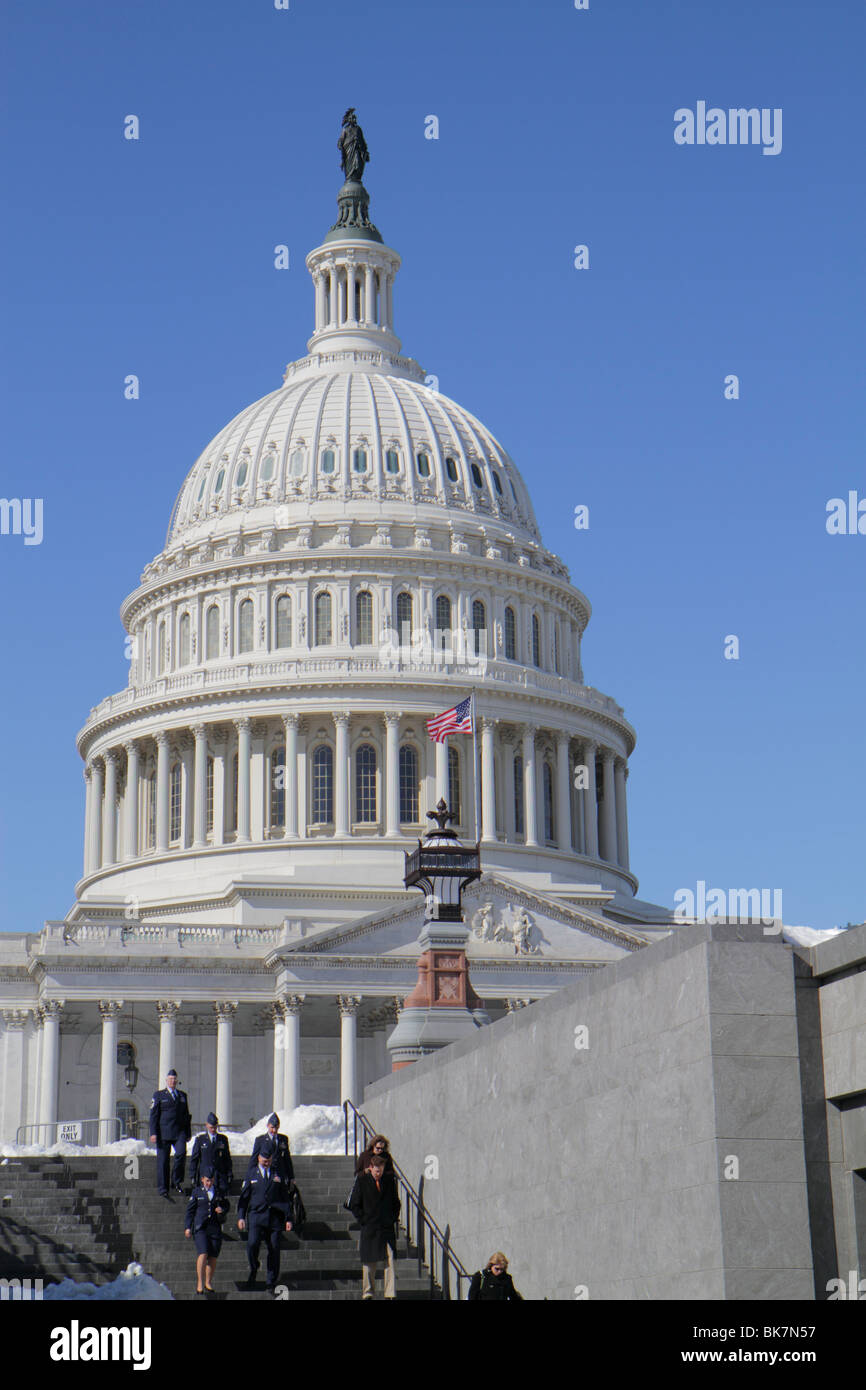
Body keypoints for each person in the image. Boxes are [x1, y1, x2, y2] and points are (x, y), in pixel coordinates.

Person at [237, 1141, 292, 1294]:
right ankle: (254, 1268)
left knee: (274, 1248)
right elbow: (244, 1197)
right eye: (263, 1158)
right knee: (252, 1244)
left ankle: (271, 1280)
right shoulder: (251, 1174)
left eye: (268, 1159)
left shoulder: (277, 1174)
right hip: (256, 1216)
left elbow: (284, 1197)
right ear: (259, 1158)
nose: (266, 1161)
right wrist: (241, 1216)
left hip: (274, 1217)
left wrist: (288, 1218)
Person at [347, 1153, 401, 1301]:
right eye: (377, 1171)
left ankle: (390, 1293)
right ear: (370, 1168)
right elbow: (354, 1204)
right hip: (370, 1227)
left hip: (386, 1228)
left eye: (381, 1171)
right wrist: (364, 1219)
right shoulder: (362, 1181)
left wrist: (392, 1218)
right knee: (369, 1262)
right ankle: (368, 1293)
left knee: (390, 1260)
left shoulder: (389, 1182)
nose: (379, 1174)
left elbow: (396, 1203)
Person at [149, 1069, 192, 1198]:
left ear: (177, 1081)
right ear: (166, 1081)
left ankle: (176, 1181)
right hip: (163, 1133)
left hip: (179, 1132)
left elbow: (186, 1115)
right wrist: (153, 1133)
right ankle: (163, 1188)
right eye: (170, 1079)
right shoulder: (159, 1095)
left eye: (174, 1079)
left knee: (181, 1153)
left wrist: (188, 1132)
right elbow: (154, 1115)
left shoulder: (182, 1096)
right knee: (163, 1161)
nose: (172, 1081)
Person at [184, 1173, 229, 1295]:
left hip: (214, 1227)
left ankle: (208, 1282)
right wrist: (188, 1227)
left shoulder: (218, 1192)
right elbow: (190, 1211)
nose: (209, 1183)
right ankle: (200, 1282)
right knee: (203, 1252)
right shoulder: (197, 1192)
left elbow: (226, 1205)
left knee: (213, 1256)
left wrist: (222, 1210)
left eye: (211, 1181)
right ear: (203, 1179)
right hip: (201, 1227)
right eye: (207, 1180)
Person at [190, 1113, 233, 1196]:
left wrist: (229, 1173)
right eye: (211, 1127)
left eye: (215, 1127)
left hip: (219, 1175)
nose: (213, 1129)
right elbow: (195, 1159)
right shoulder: (200, 1140)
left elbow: (227, 1158)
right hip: (206, 1176)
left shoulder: (223, 1139)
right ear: (206, 1125)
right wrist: (192, 1175)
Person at [247, 1113, 294, 1184]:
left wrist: (291, 1177)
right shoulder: (260, 1140)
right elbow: (254, 1159)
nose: (274, 1130)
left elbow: (287, 1159)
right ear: (268, 1126)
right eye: (272, 1127)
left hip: (280, 1173)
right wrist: (249, 1177)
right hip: (267, 1173)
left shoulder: (283, 1139)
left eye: (276, 1128)